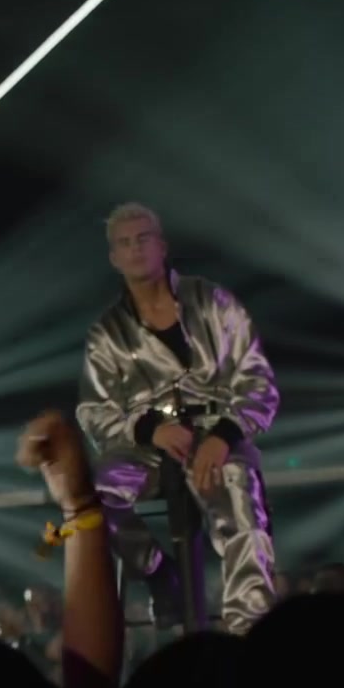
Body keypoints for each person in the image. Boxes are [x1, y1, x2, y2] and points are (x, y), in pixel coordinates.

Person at [75, 203, 280, 634]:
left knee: (241, 501)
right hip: (145, 447)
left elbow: (258, 382)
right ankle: (157, 572)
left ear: (162, 246)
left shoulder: (212, 301)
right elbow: (95, 411)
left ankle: (252, 630)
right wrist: (150, 429)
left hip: (216, 435)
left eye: (143, 238)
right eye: (124, 243)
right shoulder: (106, 332)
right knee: (90, 497)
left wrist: (223, 435)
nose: (135, 249)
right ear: (114, 257)